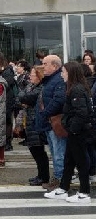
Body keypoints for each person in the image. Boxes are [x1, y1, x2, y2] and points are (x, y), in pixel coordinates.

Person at [44, 61, 92, 203]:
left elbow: (82, 113)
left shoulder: (77, 89)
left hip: (78, 131)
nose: (62, 74)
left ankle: (84, 192)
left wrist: (73, 129)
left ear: (70, 73)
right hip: (75, 131)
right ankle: (63, 188)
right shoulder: (74, 88)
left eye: (63, 71)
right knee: (69, 161)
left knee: (81, 161)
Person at [35, 55, 67, 191]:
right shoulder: (49, 80)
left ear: (54, 66)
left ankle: (60, 179)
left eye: (45, 64)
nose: (43, 67)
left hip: (54, 122)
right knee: (54, 153)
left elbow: (58, 100)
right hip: (49, 122)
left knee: (59, 153)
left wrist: (45, 113)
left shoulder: (58, 80)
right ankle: (57, 178)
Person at [19, 65, 49, 186]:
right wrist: (24, 101)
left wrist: (25, 100)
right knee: (33, 149)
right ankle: (40, 175)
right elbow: (20, 97)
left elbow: (27, 97)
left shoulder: (41, 87)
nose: (30, 77)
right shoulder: (30, 86)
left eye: (32, 74)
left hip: (36, 120)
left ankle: (44, 176)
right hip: (29, 120)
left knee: (39, 150)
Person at [0, 52, 17, 151]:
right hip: (1, 100)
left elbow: (6, 84)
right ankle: (3, 141)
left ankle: (8, 142)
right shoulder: (0, 71)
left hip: (7, 99)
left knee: (7, 121)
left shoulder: (7, 71)